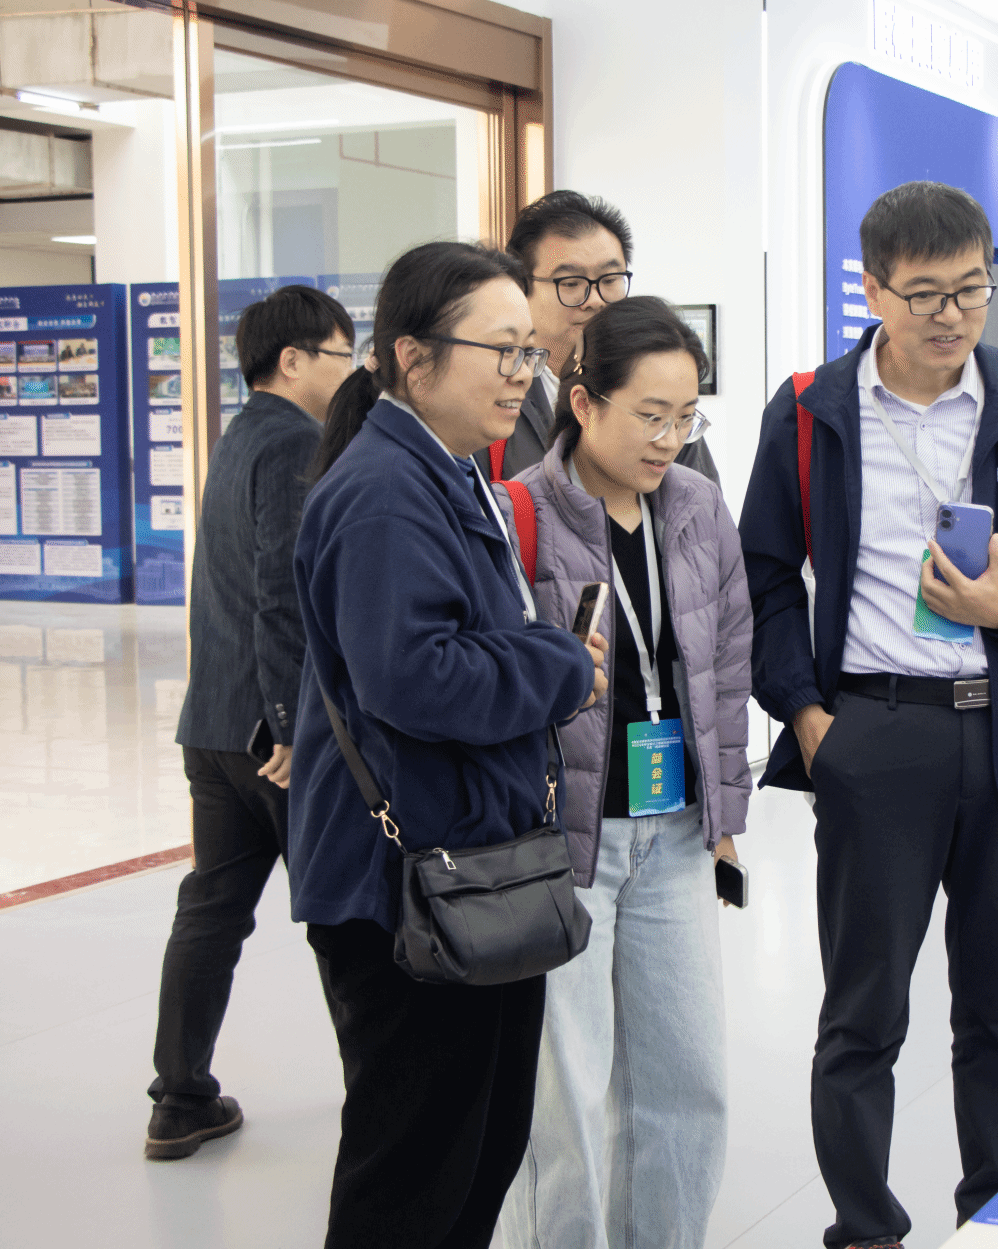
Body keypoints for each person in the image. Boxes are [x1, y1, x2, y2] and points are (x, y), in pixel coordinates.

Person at [739, 181, 998, 1249]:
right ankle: (865, 1228)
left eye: (971, 289)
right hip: (875, 736)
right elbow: (764, 573)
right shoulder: (812, 411)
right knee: (861, 1014)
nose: (953, 315)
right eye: (924, 294)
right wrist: (805, 713)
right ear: (871, 290)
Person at [288, 241, 608, 1249]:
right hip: (404, 881)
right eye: (500, 351)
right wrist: (559, 664)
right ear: (413, 357)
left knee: (478, 1154)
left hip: (468, 862)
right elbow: (415, 677)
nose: (522, 374)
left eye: (528, 353)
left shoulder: (449, 472)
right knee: (412, 1178)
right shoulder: (386, 493)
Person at [495, 295, 751, 1249]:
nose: (669, 439)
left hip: (676, 833)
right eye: (649, 415)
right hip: (565, 842)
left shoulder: (697, 507)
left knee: (689, 1079)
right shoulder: (520, 511)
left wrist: (725, 816)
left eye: (686, 417)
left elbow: (728, 661)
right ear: (583, 402)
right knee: (564, 1096)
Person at [146, 284, 357, 1160]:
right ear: (294, 360)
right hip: (273, 738)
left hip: (211, 725)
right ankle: (380, 1092)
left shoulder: (238, 438)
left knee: (212, 910)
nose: (353, 372)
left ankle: (179, 1097)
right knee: (344, 916)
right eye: (343, 355)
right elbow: (281, 594)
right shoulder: (296, 442)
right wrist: (292, 727)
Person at [479, 189, 722, 486]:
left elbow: (697, 503)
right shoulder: (493, 395)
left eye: (609, 280)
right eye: (571, 283)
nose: (594, 300)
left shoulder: (662, 396)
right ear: (522, 288)